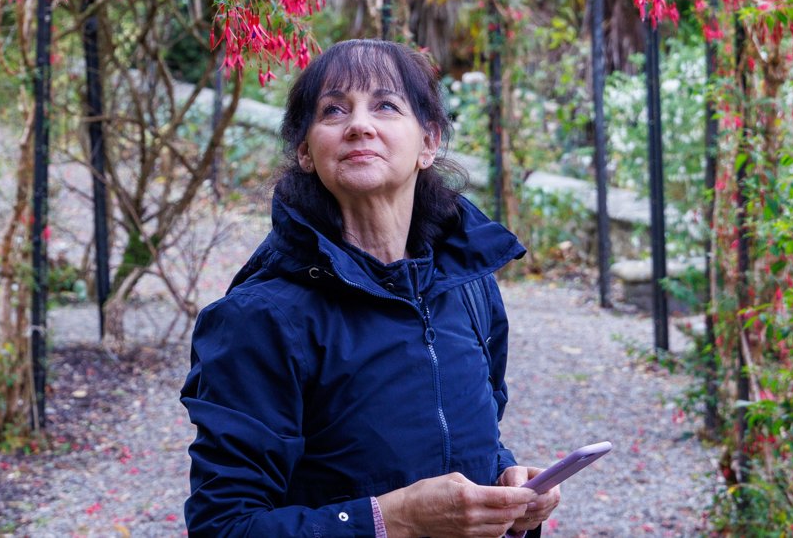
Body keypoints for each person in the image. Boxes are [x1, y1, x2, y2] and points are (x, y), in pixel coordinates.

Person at [180, 39, 567, 538]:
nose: (359, 125)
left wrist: (506, 483)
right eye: (333, 110)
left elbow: (472, 437)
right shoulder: (261, 319)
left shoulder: (469, 288)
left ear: (428, 143)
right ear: (305, 151)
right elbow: (223, 527)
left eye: (385, 105)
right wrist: (394, 519)